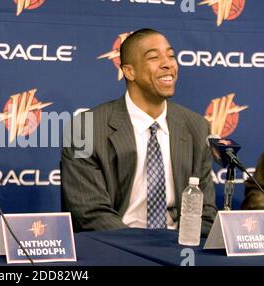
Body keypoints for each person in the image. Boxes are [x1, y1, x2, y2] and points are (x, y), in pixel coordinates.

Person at [61, 28, 217, 236]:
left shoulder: (197, 127)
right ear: (129, 71)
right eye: (153, 57)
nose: (167, 63)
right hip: (118, 248)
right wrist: (146, 249)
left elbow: (204, 212)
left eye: (171, 55)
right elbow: (90, 213)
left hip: (179, 247)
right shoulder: (85, 128)